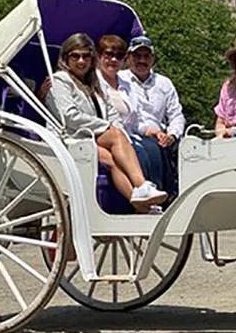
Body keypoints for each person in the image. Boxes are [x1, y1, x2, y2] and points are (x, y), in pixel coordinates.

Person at [44, 33, 167, 212]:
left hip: (89, 138)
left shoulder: (93, 82)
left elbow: (110, 111)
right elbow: (69, 116)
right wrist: (108, 128)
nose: (81, 61)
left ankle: (139, 202)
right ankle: (142, 186)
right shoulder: (60, 80)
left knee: (111, 158)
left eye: (86, 56)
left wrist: (115, 127)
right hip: (69, 137)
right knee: (116, 137)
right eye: (75, 56)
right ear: (66, 58)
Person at [95, 34, 164, 190]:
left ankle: (161, 193)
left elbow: (135, 119)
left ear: (124, 59)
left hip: (128, 134)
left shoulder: (126, 84)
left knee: (154, 149)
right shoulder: (93, 82)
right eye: (108, 55)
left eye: (118, 56)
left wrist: (150, 130)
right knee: (140, 153)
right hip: (104, 134)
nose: (113, 60)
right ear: (99, 57)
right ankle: (142, 194)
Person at [120, 35, 185, 197]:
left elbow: (176, 114)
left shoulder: (163, 83)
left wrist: (172, 134)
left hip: (162, 135)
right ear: (128, 58)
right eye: (136, 56)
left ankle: (180, 194)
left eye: (146, 56)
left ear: (153, 59)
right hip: (134, 133)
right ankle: (156, 196)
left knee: (188, 149)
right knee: (150, 149)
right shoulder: (121, 80)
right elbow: (122, 116)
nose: (141, 60)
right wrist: (148, 130)